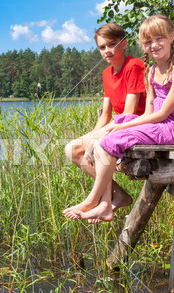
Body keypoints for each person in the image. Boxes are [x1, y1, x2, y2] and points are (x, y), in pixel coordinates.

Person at [63, 14, 174, 223]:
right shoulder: (152, 71)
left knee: (111, 137)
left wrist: (119, 129)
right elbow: (148, 113)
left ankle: (92, 200)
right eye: (148, 42)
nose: (154, 45)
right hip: (157, 123)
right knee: (109, 134)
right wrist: (115, 127)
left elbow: (163, 114)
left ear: (172, 37)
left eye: (159, 38)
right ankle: (105, 205)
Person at [63, 23, 146, 216]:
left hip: (136, 124)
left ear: (124, 44)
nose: (107, 50)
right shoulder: (106, 73)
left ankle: (102, 202)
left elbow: (129, 113)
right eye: (102, 47)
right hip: (118, 123)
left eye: (112, 44)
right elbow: (106, 115)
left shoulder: (134, 66)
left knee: (95, 145)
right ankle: (117, 197)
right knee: (72, 149)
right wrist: (91, 136)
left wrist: (96, 139)